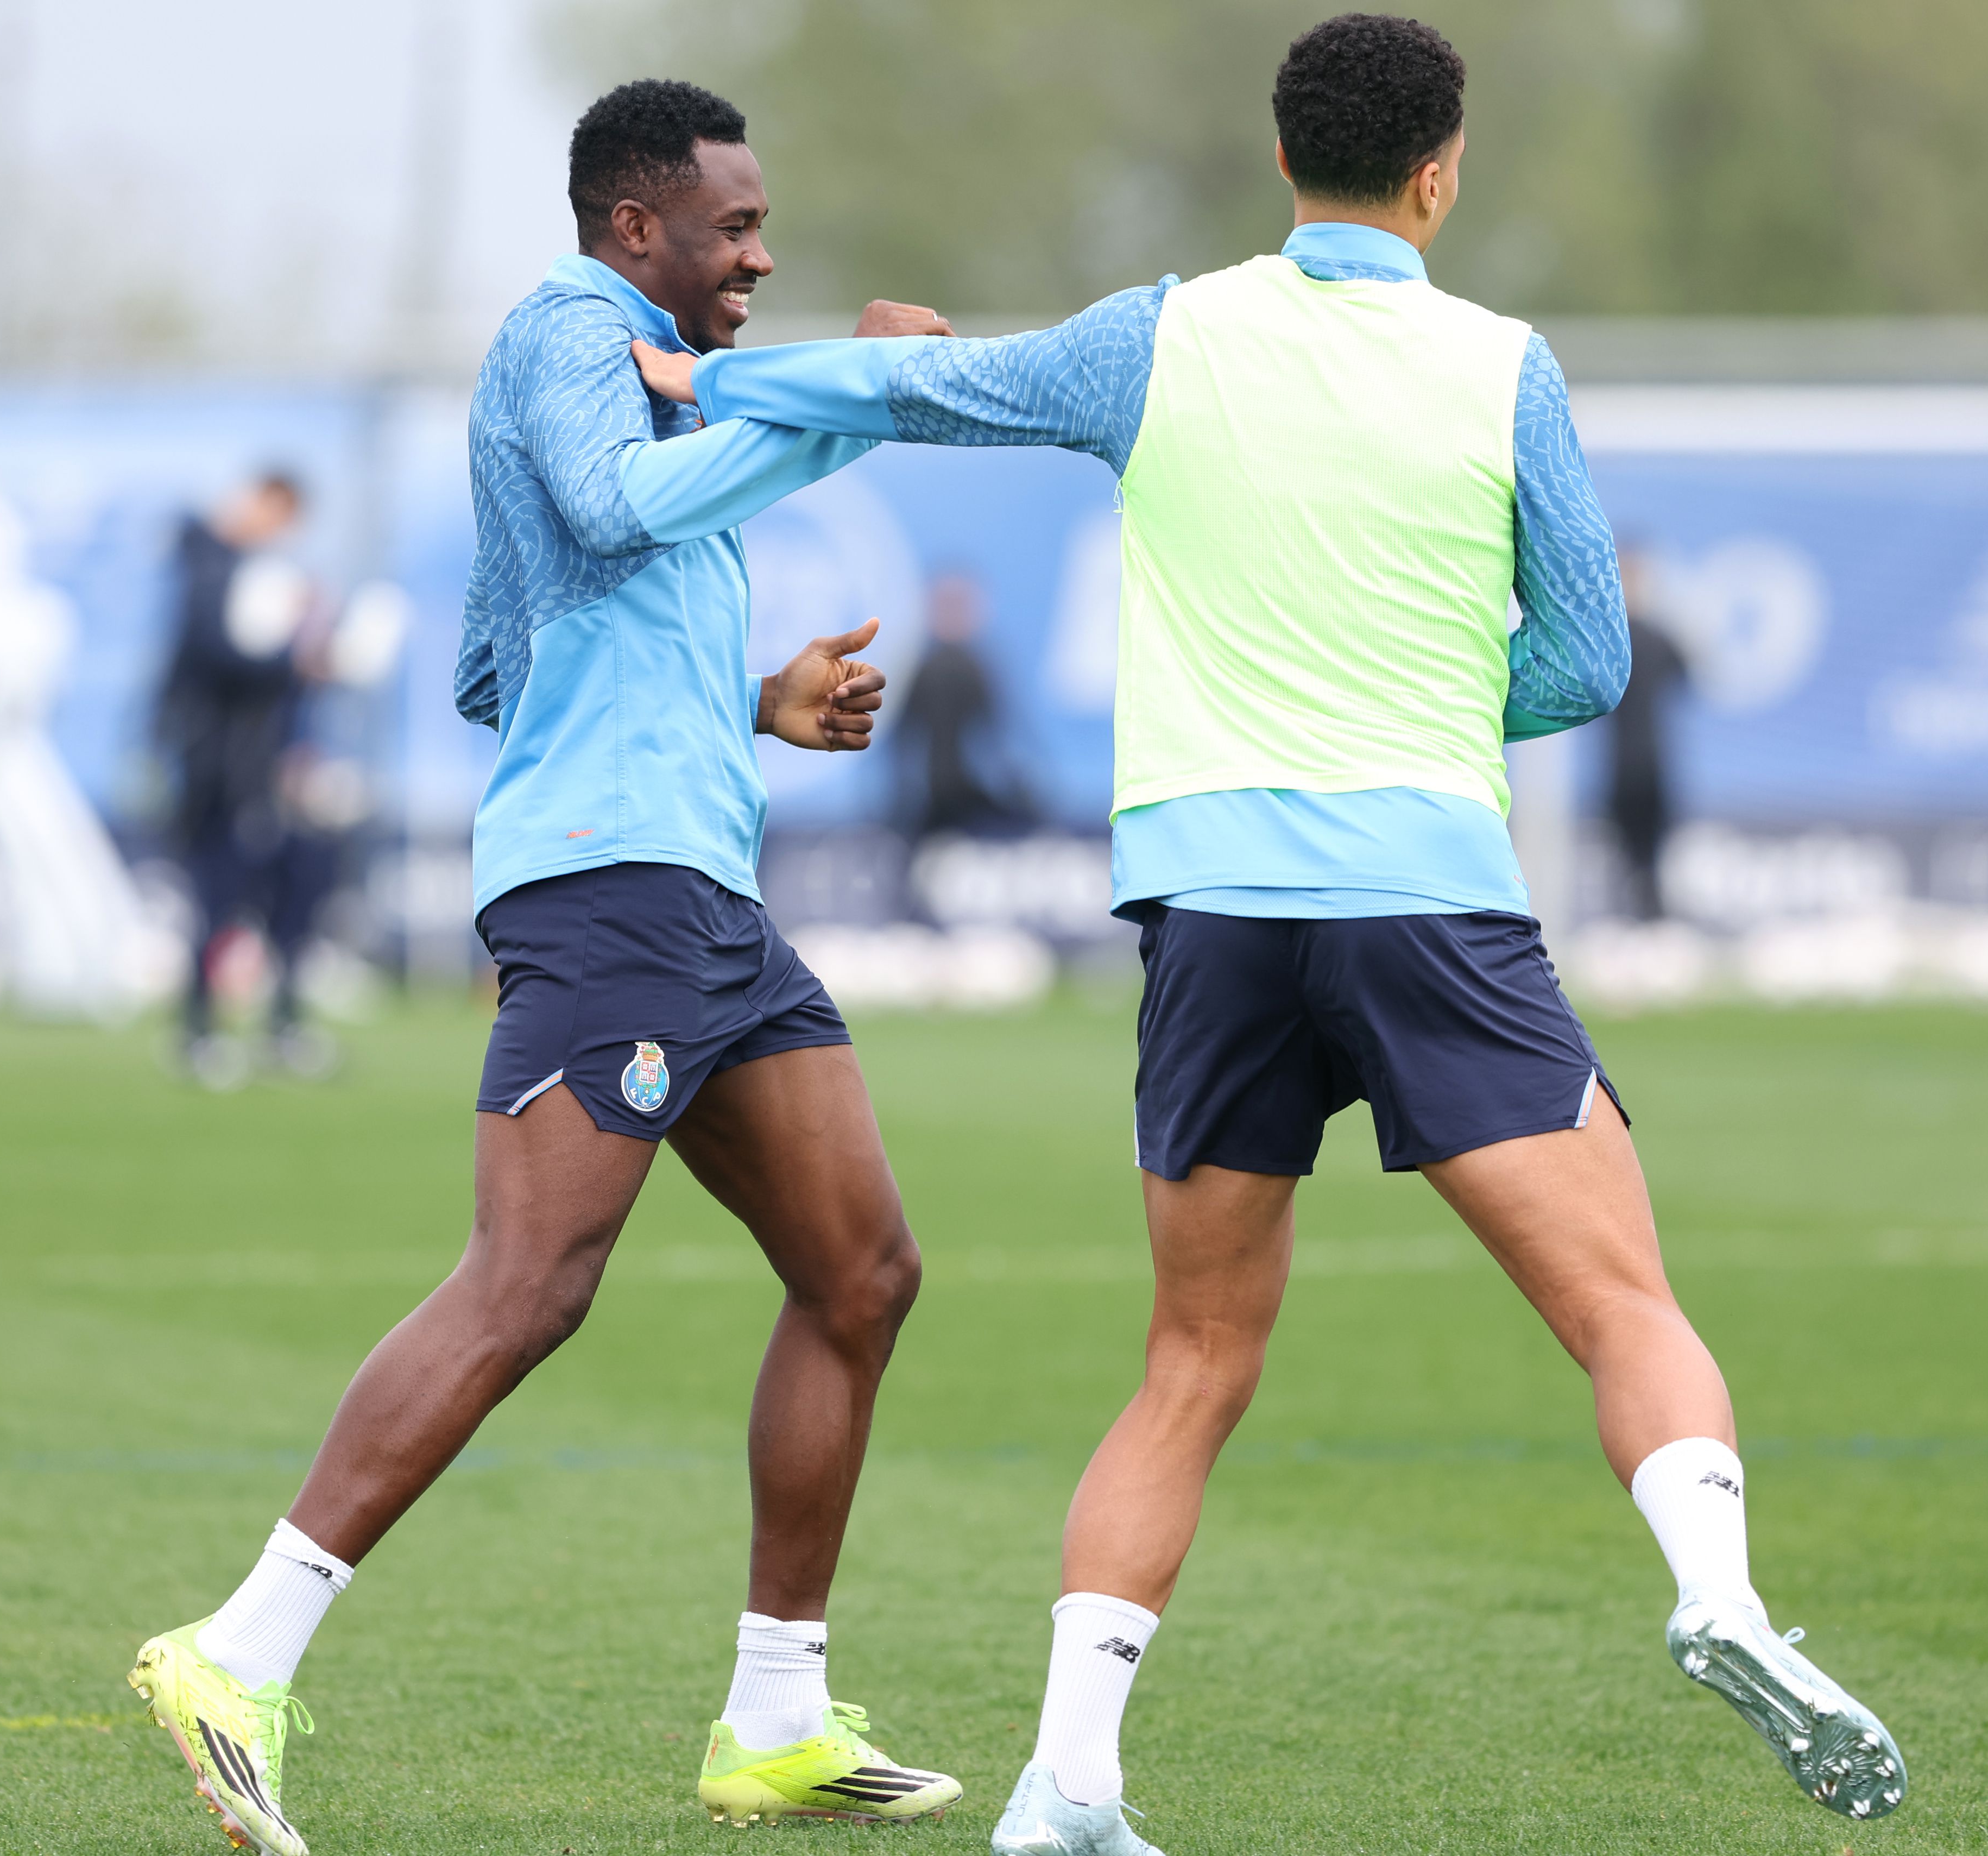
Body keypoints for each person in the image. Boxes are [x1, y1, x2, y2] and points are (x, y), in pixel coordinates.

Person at [637, 16, 1905, 1851]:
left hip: (1211, 916)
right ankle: (1718, 1593)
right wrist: (1426, 708)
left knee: (1190, 1362)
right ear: (1439, 171)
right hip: (1425, 900)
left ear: (1282, 158)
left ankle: (1066, 1781)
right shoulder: (1503, 366)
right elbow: (1586, 658)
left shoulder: (1160, 335)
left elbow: (924, 391)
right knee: (1621, 1303)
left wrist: (702, 373)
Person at [124, 80, 961, 1856]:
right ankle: (233, 1653)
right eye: (734, 227)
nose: (760, 255)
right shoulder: (568, 331)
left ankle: (776, 1718)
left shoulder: (648, 372)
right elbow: (609, 504)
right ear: (634, 226)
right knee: (527, 1283)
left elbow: (524, 660)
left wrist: (750, 700)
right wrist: (859, 397)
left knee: (861, 1271)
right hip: (611, 892)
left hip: (700, 894)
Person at [152, 469, 325, 1085]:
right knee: (218, 893)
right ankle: (200, 1031)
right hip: (220, 767)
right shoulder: (211, 564)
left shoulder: (251, 569)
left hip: (260, 763)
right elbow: (217, 654)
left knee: (290, 889)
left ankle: (280, 1027)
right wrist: (291, 654)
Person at [893, 571, 1030, 837]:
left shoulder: (971, 667)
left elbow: (998, 743)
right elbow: (903, 744)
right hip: (939, 804)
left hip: (959, 800)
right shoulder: (931, 669)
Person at [1606, 544, 1690, 922]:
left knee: (1635, 856)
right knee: (1641, 855)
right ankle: (1647, 920)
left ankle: (1643, 920)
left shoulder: (1612, 640)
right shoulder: (1653, 637)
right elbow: (1687, 674)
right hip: (1642, 760)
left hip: (1632, 761)